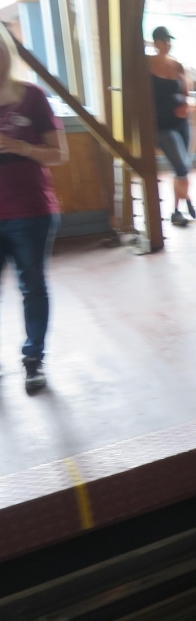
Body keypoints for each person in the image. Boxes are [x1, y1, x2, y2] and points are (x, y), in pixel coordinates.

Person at [0, 29, 69, 392]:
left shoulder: (32, 97)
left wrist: (20, 147)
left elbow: (60, 155)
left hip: (30, 211)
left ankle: (33, 360)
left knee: (33, 287)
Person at [149, 26, 196, 226]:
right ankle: (188, 201)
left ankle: (177, 210)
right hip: (163, 126)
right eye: (163, 41)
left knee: (182, 169)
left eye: (169, 41)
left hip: (182, 123)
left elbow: (190, 96)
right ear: (155, 42)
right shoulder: (147, 65)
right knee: (181, 166)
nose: (167, 45)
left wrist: (188, 106)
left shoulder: (178, 66)